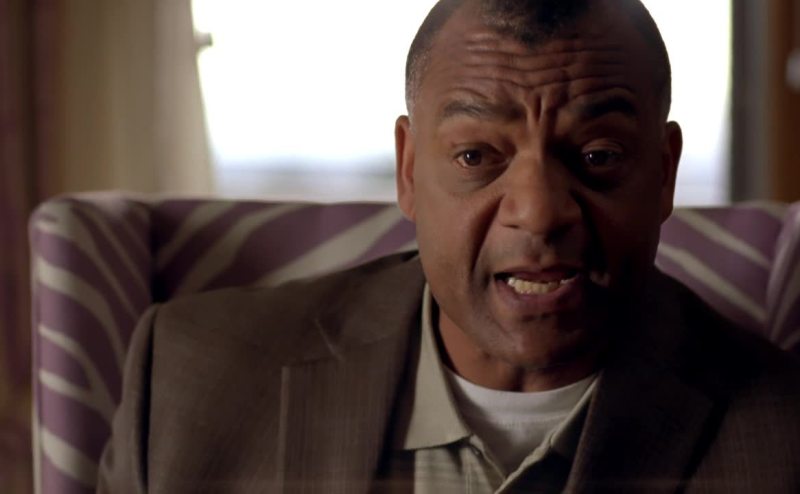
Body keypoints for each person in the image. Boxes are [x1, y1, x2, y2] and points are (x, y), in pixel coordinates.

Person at [98, 0, 800, 492]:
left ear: (665, 173)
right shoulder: (189, 385)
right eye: (475, 157)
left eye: (598, 155)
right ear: (409, 170)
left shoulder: (783, 438)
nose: (539, 213)